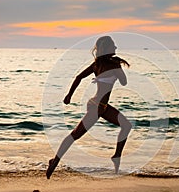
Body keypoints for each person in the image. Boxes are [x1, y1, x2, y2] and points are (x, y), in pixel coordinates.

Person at [46, 36, 132, 179]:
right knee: (75, 135)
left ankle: (116, 156)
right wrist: (118, 69)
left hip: (101, 106)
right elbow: (124, 82)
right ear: (107, 48)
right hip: (96, 107)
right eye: (114, 46)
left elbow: (79, 78)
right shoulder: (108, 65)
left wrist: (69, 96)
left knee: (126, 125)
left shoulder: (96, 65)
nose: (116, 48)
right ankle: (55, 160)